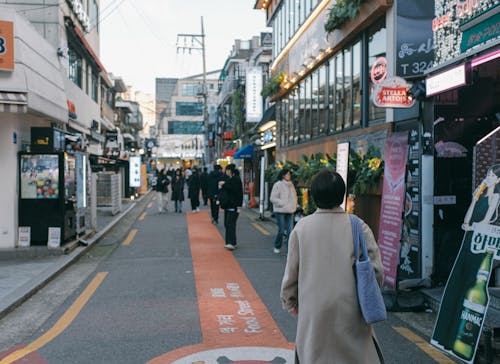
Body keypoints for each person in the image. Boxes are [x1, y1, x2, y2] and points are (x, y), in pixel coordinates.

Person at [280, 169, 384, 363]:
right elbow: (376, 271)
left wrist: (290, 301)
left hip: (314, 311)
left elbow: (291, 273)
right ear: (341, 194)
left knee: (314, 355)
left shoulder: (302, 228)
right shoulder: (358, 226)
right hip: (351, 309)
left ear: (314, 195)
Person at [270, 168, 297, 253]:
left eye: (289, 174)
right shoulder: (278, 184)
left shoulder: (291, 185)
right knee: (281, 230)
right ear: (283, 175)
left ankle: (290, 249)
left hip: (290, 210)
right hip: (280, 210)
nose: (289, 176)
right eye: (287, 174)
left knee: (290, 231)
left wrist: (294, 205)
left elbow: (294, 197)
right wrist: (282, 203)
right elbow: (273, 198)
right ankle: (277, 246)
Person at [218, 163, 243, 250]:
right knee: (228, 224)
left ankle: (230, 243)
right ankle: (232, 242)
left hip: (234, 205)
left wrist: (223, 184)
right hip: (229, 206)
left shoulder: (235, 179)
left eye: (228, 170)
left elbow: (232, 188)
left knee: (229, 224)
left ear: (231, 171)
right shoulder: (231, 179)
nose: (227, 172)